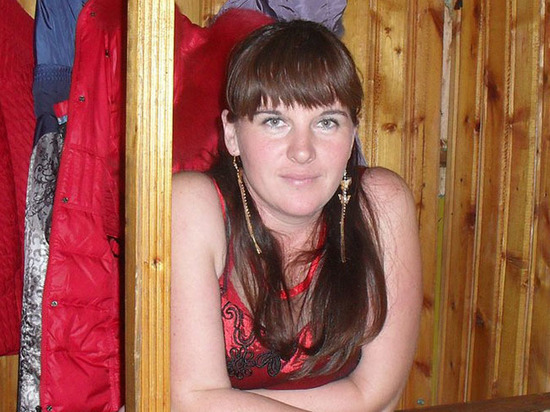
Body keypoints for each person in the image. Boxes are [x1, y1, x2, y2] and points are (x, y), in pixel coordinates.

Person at [171, 19, 422, 412]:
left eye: (326, 122)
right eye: (275, 121)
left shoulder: (382, 204)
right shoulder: (192, 205)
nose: (302, 151)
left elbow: (378, 395)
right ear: (232, 133)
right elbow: (190, 399)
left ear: (352, 134)